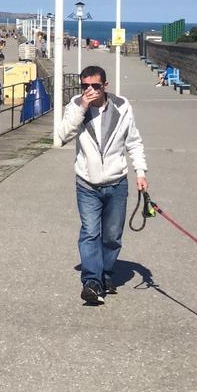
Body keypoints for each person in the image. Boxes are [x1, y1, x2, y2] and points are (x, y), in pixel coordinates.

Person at [60, 65, 148, 306]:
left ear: (105, 86)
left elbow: (134, 142)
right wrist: (82, 108)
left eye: (95, 86)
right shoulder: (76, 105)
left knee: (111, 236)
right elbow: (61, 136)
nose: (89, 90)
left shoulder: (122, 106)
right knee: (90, 232)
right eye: (85, 86)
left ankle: (106, 273)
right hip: (87, 183)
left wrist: (140, 172)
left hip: (117, 182)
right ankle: (92, 281)